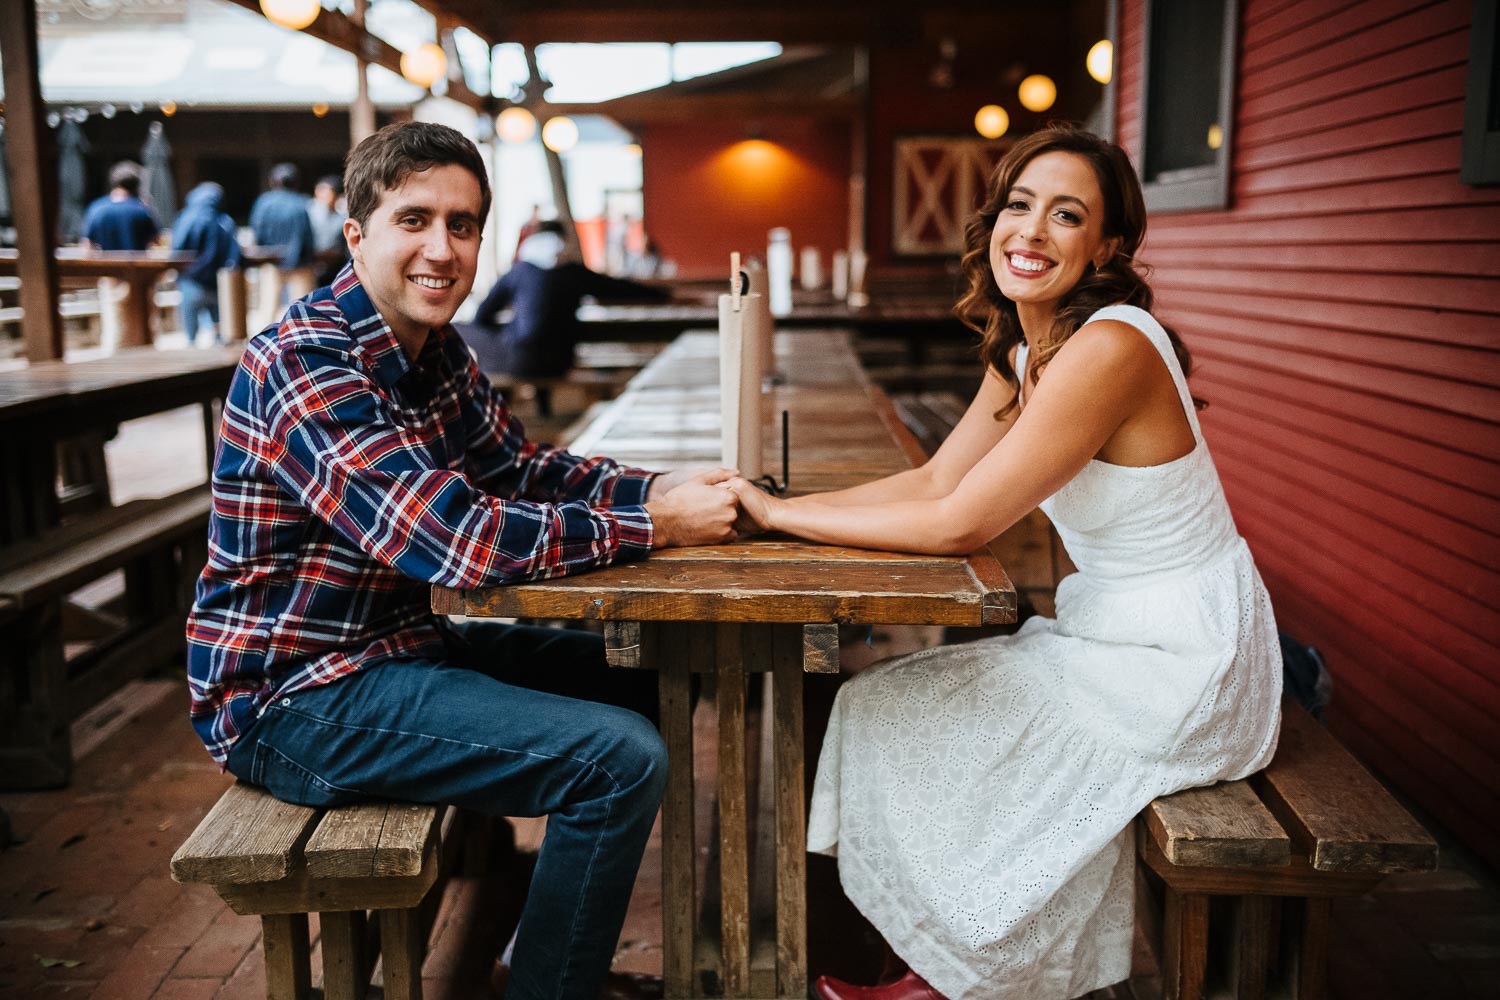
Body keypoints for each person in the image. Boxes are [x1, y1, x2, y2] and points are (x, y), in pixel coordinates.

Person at [726, 124, 1283, 1000]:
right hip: (1110, 638)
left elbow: (958, 524)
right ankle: (933, 961)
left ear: (1106, 247)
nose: (1031, 231)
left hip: (1189, 663)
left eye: (1066, 215)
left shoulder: (1109, 346)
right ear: (990, 223)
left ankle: (962, 979)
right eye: (1018, 206)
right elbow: (935, 478)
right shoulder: (1025, 349)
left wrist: (780, 517)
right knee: (875, 706)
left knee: (940, 727)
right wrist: (773, 512)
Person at [185, 122, 740, 1000]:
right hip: (291, 694)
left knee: (651, 670)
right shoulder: (308, 359)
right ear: (358, 234)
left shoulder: (434, 351)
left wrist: (653, 486)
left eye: (464, 224)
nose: (442, 249)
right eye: (415, 220)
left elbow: (518, 471)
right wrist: (660, 528)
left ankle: (547, 956)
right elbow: (455, 541)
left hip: (393, 647)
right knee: (618, 759)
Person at [460, 220, 669, 377]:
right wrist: (665, 295)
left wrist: (509, 329)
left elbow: (482, 315)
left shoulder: (519, 271)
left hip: (521, 362)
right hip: (561, 362)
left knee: (458, 329)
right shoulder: (574, 272)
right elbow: (619, 288)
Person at [169, 182, 241, 345]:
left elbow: (176, 250)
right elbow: (234, 254)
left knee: (190, 336)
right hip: (217, 284)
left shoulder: (186, 218)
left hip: (190, 282)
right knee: (220, 333)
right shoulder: (225, 221)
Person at [249, 162, 314, 272]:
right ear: (296, 182)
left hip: (270, 266)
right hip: (296, 266)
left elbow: (257, 231)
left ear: (273, 181)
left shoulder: (264, 202)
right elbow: (308, 238)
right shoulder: (301, 203)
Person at [80, 161, 159, 251]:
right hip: (135, 264)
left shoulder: (96, 208)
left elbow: (87, 244)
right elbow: (155, 240)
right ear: (137, 186)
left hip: (106, 264)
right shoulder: (142, 210)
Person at [308, 173, 349, 287]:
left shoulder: (341, 217)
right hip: (311, 264)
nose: (323, 195)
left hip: (334, 266)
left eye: (326, 191)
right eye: (320, 191)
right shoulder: (308, 212)